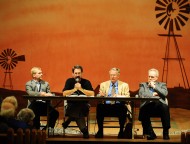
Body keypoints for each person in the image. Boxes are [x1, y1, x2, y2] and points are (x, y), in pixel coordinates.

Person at [95, 67, 130, 139]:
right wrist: (100, 95)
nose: (112, 77)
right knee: (99, 107)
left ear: (118, 75)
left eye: (114, 75)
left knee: (123, 108)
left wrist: (118, 96)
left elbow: (127, 97)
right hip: (106, 106)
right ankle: (100, 131)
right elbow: (98, 96)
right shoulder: (103, 84)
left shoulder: (124, 85)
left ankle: (121, 131)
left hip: (118, 106)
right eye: (111, 75)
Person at [62, 65, 94, 138]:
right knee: (76, 107)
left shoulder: (86, 82)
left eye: (79, 73)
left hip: (84, 106)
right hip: (71, 106)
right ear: (72, 74)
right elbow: (64, 93)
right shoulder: (69, 81)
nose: (77, 75)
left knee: (79, 106)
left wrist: (81, 89)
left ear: (81, 73)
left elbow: (92, 93)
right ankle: (84, 130)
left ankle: (69, 120)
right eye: (75, 73)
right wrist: (74, 89)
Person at [138, 68, 170, 140]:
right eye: (149, 76)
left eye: (152, 77)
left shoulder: (162, 85)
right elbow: (141, 94)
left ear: (156, 77)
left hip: (159, 106)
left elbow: (165, 93)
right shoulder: (143, 85)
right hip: (148, 106)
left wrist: (154, 87)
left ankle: (166, 132)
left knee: (165, 107)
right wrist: (153, 94)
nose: (150, 78)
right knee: (143, 109)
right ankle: (151, 133)